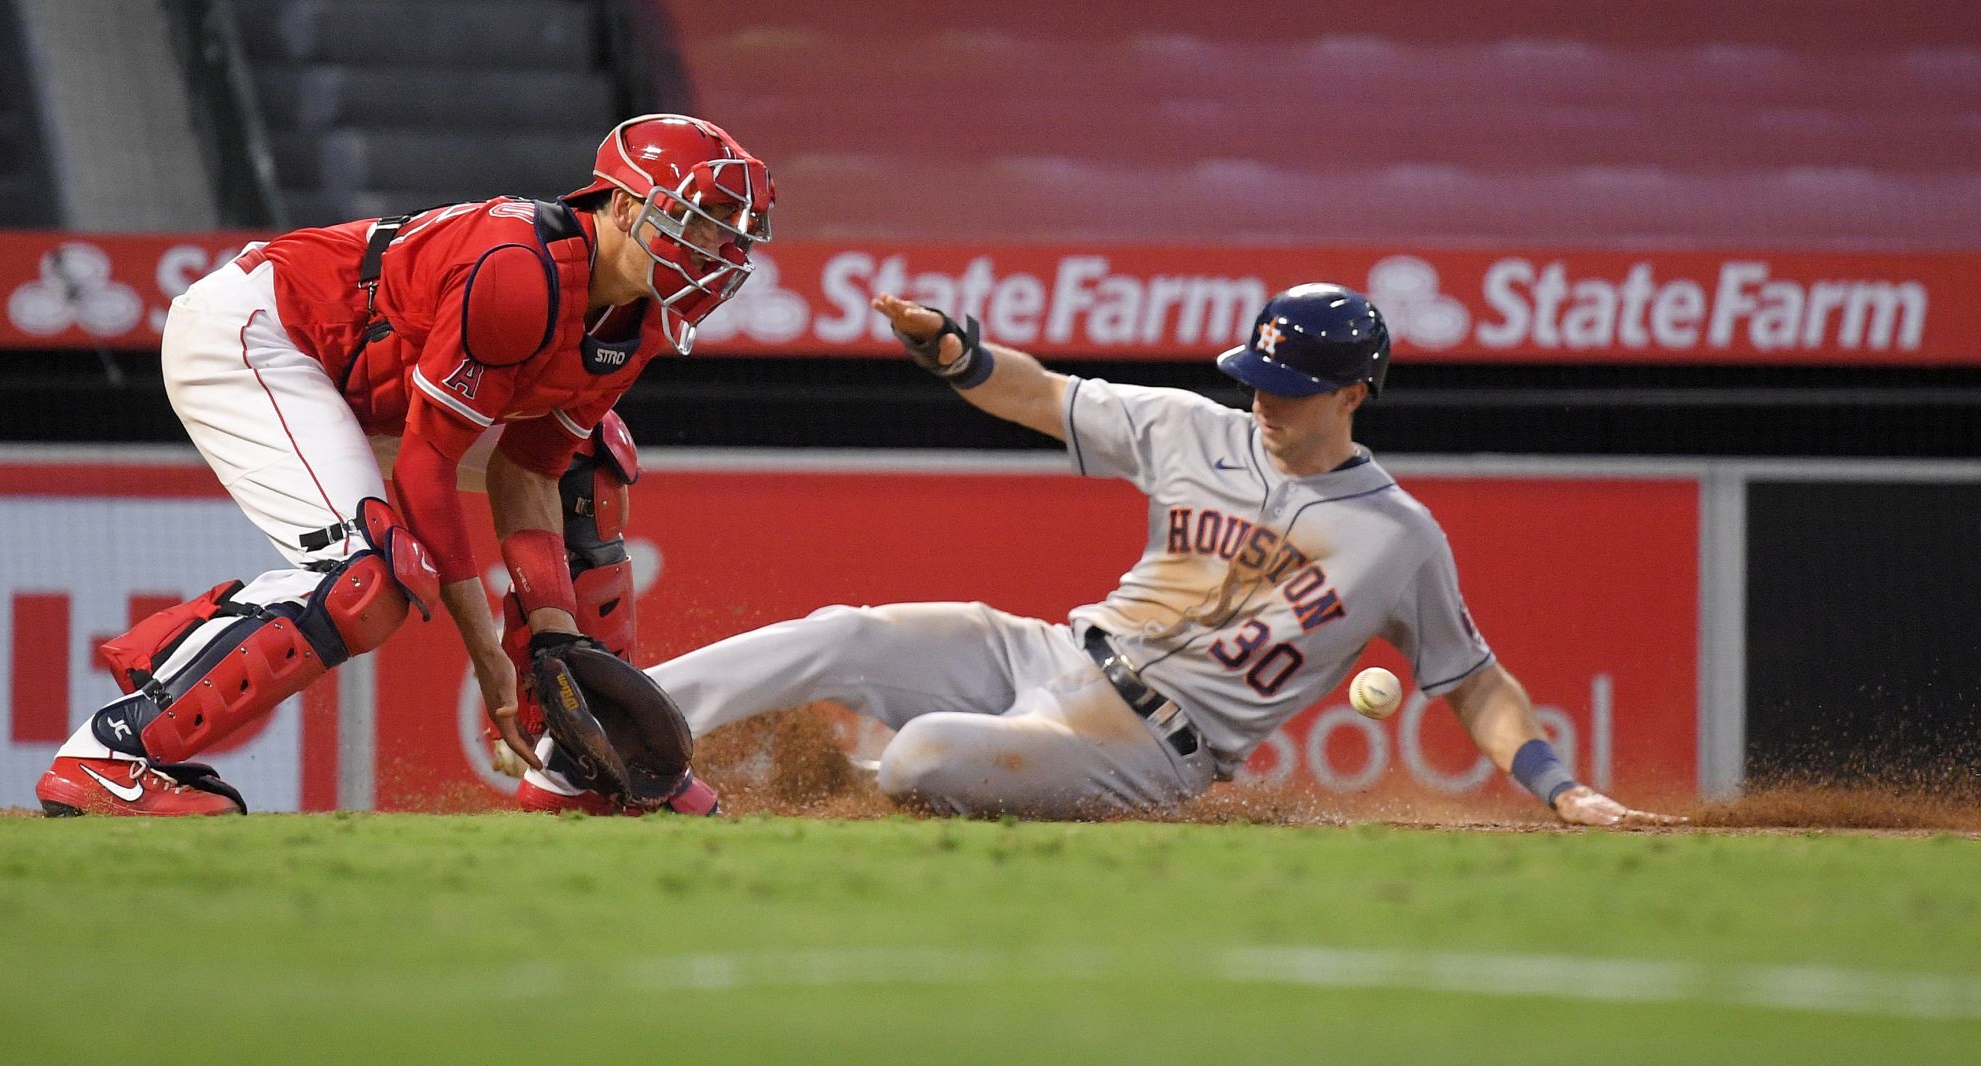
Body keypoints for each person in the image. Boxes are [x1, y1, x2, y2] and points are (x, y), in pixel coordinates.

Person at [605, 285, 1681, 826]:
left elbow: (1474, 680)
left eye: (1293, 388)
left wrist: (1559, 786)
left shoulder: (1396, 538)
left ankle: (844, 773)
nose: (1265, 400)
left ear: (1356, 392)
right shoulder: (1190, 425)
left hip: (1151, 747)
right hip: (1053, 652)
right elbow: (1031, 393)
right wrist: (954, 351)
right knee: (843, 632)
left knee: (930, 750)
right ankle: (604, 737)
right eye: (1257, 377)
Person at [34, 114, 773, 816]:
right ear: (619, 203)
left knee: (594, 460)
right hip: (264, 335)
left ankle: (586, 761)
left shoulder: (641, 314)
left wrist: (551, 636)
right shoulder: (519, 273)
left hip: (374, 387)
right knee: (366, 581)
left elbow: (532, 472)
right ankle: (111, 754)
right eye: (695, 219)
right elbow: (426, 468)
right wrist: (491, 658)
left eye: (727, 232)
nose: (714, 247)